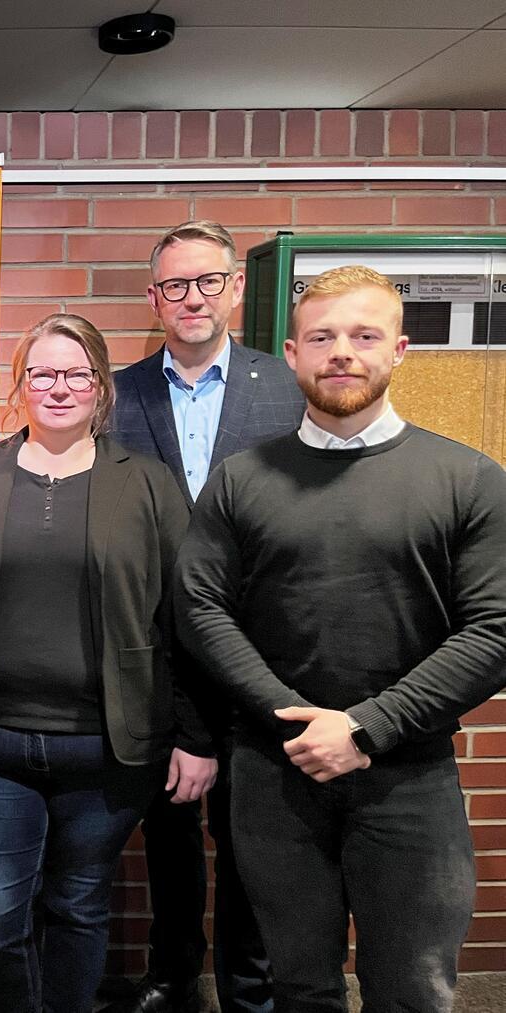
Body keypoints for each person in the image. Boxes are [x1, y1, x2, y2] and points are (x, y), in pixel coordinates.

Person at [176, 265, 506, 1012]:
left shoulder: (467, 478)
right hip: (274, 773)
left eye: (364, 335)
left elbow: (495, 628)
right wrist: (294, 721)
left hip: (409, 777)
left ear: (399, 350)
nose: (343, 353)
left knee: (413, 988)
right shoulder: (240, 480)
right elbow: (199, 607)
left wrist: (365, 727)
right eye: (322, 337)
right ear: (293, 354)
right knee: (297, 986)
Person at [0, 313, 212, 1013]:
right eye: (42, 374)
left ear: (100, 386)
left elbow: (186, 616)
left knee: (78, 905)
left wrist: (196, 734)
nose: (60, 388)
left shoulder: (147, 483)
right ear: (20, 385)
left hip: (109, 750)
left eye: (77, 374)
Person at [108, 220, 304, 1013]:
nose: (193, 298)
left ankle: (248, 989)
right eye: (175, 285)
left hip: (262, 662)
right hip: (155, 659)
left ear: (237, 287)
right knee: (168, 834)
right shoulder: (116, 395)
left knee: (253, 842)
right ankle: (174, 975)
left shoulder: (287, 388)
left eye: (208, 281)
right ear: (154, 297)